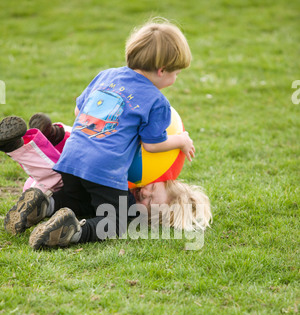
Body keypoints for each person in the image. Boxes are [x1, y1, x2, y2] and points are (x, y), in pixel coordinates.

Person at [1, 19, 211, 249]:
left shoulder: (106, 75)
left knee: (76, 202)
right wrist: (181, 140)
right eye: (177, 73)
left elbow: (78, 111)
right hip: (104, 167)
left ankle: (43, 205)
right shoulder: (156, 101)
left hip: (71, 157)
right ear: (162, 71)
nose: (175, 79)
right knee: (115, 221)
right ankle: (74, 232)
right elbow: (152, 145)